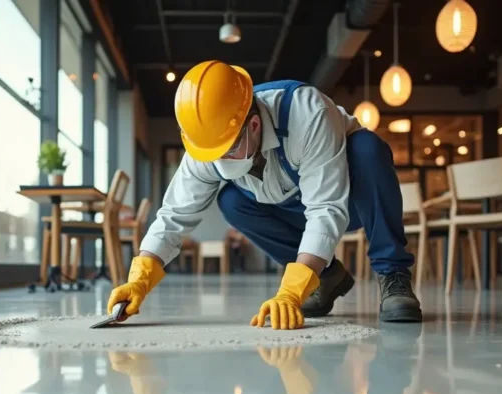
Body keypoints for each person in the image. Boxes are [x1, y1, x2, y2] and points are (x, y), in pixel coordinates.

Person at [108, 60, 422, 330]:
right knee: (231, 201)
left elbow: (326, 207)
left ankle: (392, 273)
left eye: (227, 150)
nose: (219, 161)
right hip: (290, 208)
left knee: (368, 149)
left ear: (254, 124)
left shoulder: (306, 113)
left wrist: (291, 290)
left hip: (351, 199)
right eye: (211, 153)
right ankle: (327, 278)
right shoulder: (206, 143)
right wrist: (140, 278)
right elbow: (174, 215)